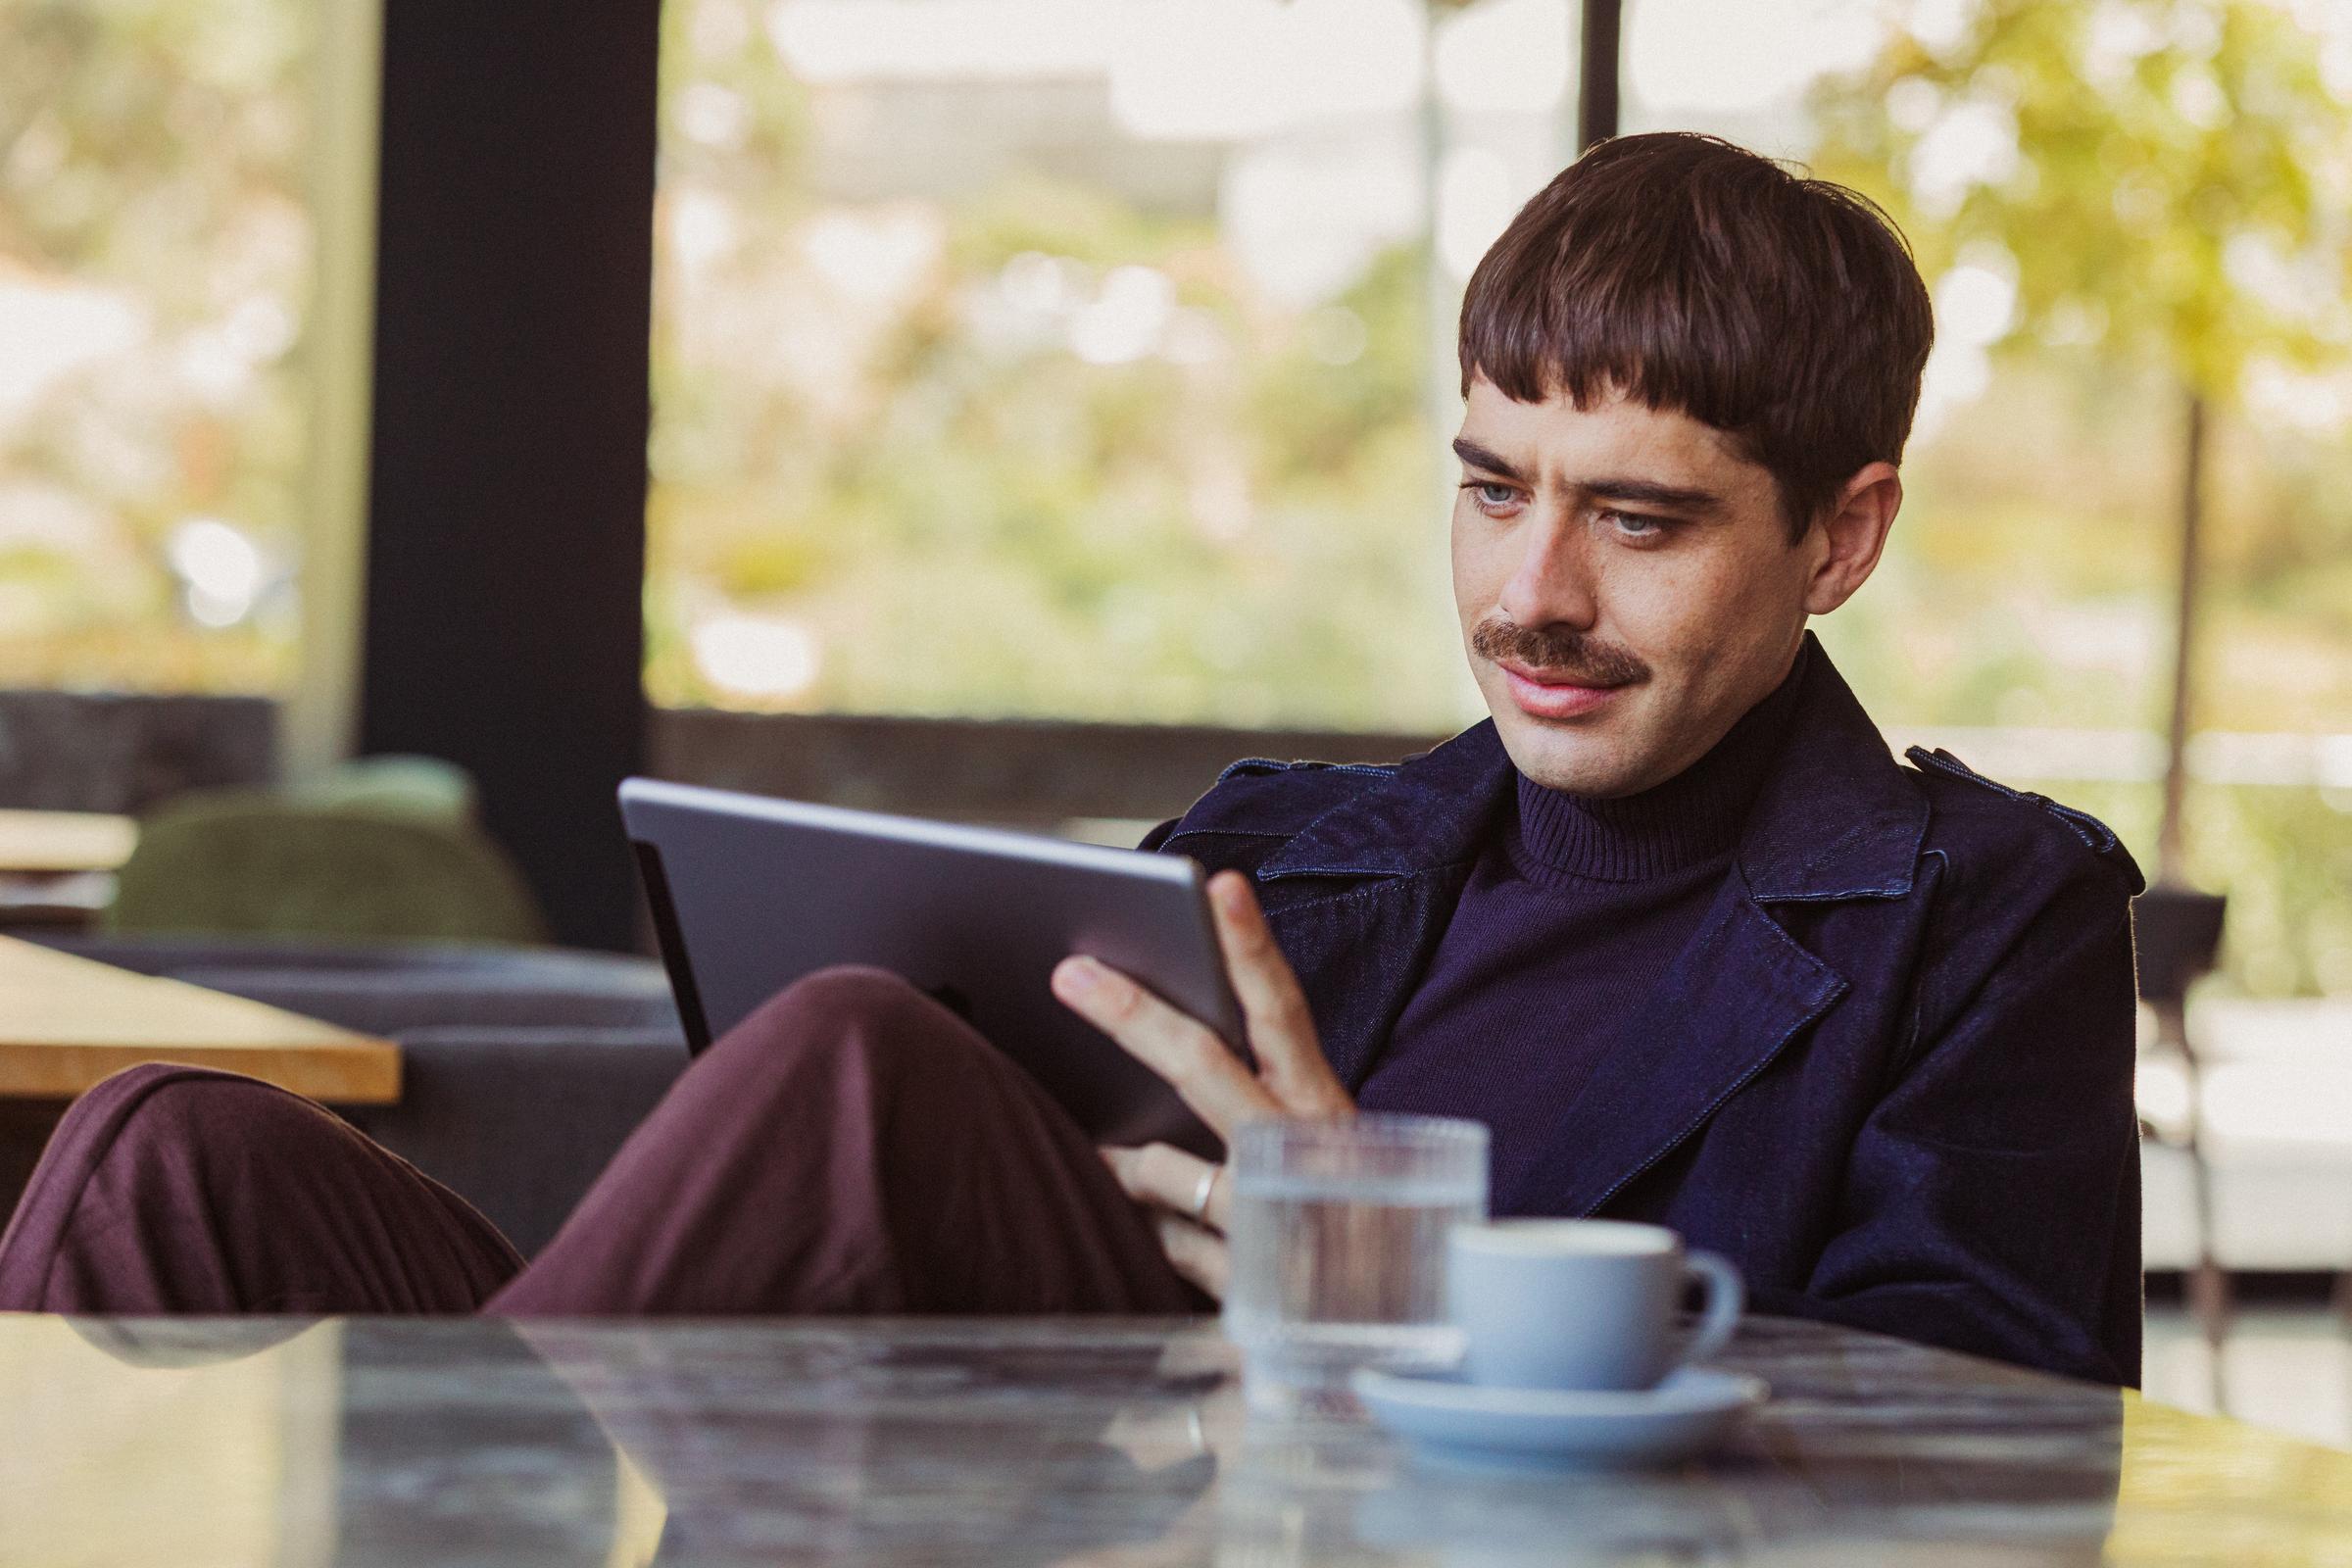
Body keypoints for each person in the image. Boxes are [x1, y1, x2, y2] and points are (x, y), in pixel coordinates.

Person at [0, 132, 2145, 1387]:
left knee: (861, 1057)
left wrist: (1400, 1292)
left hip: (1244, 1510)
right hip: (957, 1454)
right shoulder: (1276, 853)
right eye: (1492, 487)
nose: (1531, 592)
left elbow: (1989, 1453)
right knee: (168, 1152)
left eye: (1639, 519)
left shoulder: (1980, 913)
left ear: (1840, 534)